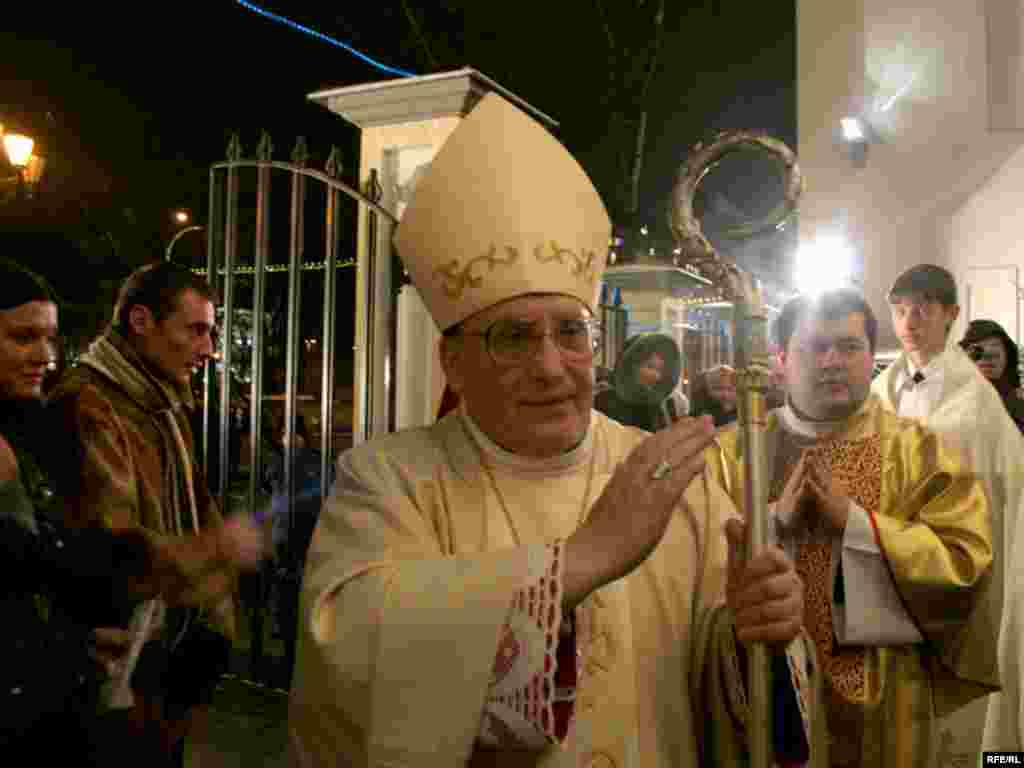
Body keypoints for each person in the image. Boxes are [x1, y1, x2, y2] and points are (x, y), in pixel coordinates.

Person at [288, 93, 817, 767]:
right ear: (453, 361)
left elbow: (726, 678)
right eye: (513, 337)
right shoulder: (389, 480)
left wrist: (752, 630)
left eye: (570, 331)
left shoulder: (672, 473)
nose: (549, 365)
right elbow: (352, 660)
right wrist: (583, 559)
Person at [710, 288, 995, 767]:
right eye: (813, 348)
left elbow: (967, 565)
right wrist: (771, 524)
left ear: (871, 357)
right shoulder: (730, 454)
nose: (832, 362)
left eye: (848, 347)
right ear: (781, 359)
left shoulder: (921, 452)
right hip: (761, 693)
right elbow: (692, 576)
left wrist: (858, 526)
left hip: (887, 707)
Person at [0, 256, 262, 759]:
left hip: (143, 661)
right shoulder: (86, 403)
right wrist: (211, 551)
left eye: (51, 338)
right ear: (141, 321)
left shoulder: (162, 401)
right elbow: (99, 546)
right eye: (197, 330)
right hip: (111, 675)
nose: (209, 348)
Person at [870, 265, 1024, 760]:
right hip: (888, 571)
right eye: (900, 310)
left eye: (923, 309)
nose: (910, 321)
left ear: (951, 314)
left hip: (959, 574)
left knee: (957, 728)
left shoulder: (979, 406)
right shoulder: (877, 394)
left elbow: (1005, 494)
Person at [594, 332, 684, 431]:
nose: (656, 375)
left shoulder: (664, 405)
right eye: (650, 366)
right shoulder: (604, 400)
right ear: (632, 366)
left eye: (660, 370)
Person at [959, 319, 1024, 432]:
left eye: (995, 347)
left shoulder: (1019, 402)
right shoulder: (951, 401)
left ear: (1007, 356)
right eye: (978, 348)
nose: (987, 355)